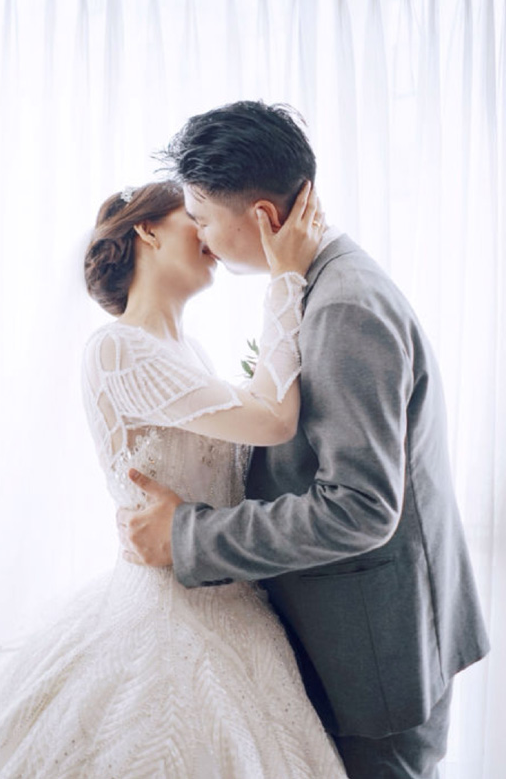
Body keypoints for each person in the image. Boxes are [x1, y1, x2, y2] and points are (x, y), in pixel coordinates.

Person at [0, 178, 348, 778]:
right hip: (164, 618)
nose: (209, 233)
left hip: (233, 607)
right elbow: (273, 418)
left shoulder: (191, 352)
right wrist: (285, 277)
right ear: (147, 230)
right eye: (193, 218)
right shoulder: (117, 349)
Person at [119, 100, 490, 779]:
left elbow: (360, 507)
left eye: (202, 216)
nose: (198, 234)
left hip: (375, 652)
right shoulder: (321, 284)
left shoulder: (343, 306)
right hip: (363, 629)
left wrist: (186, 536)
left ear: (262, 216)